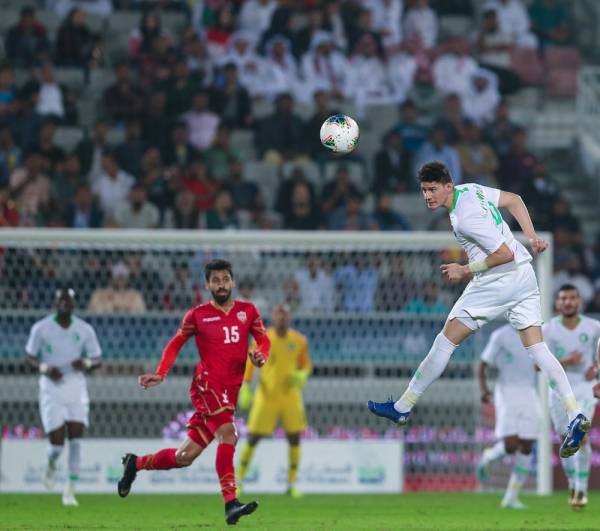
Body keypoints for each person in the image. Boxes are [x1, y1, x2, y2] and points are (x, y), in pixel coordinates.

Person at [367, 161, 590, 460]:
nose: (428, 196)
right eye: (423, 190)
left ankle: (403, 407)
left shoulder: (464, 218)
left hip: (497, 280)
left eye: (433, 189)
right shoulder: (470, 190)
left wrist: (464, 269)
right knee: (538, 349)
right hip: (524, 275)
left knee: (445, 342)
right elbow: (514, 200)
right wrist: (532, 237)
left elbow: (503, 253)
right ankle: (574, 413)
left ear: (448, 186)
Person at [116, 259, 270, 526]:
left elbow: (264, 340)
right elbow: (176, 343)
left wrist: (261, 355)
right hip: (207, 385)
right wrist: (161, 372)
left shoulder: (248, 311)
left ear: (232, 282)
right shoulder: (197, 315)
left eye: (225, 279)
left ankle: (135, 463)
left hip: (230, 390)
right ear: (207, 285)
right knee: (229, 434)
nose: (221, 285)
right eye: (215, 280)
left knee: (184, 457)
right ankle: (230, 503)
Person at [25, 288, 102, 506]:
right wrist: (45, 368)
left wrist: (84, 363)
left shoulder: (84, 329)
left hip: (75, 386)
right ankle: (51, 463)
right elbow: (29, 357)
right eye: (61, 301)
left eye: (68, 301)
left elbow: (97, 359)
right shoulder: (41, 328)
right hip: (51, 387)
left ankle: (70, 491)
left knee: (76, 440)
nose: (64, 304)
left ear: (74, 305)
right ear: (55, 303)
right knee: (57, 445)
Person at [237, 304, 312, 497]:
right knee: (253, 437)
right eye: (278, 314)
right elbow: (249, 364)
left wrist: (302, 375)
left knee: (294, 437)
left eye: (285, 314)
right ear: (272, 317)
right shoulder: (262, 338)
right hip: (266, 395)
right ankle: (238, 481)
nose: (281, 318)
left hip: (290, 396)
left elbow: (306, 365)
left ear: (289, 318)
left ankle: (291, 484)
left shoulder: (299, 340)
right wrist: (246, 387)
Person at [543, 285, 600, 510]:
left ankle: (582, 488)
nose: (568, 302)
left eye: (572, 298)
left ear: (579, 301)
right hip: (558, 390)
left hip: (585, 387)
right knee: (566, 440)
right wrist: (566, 361)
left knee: (581, 435)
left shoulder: (594, 327)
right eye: (563, 298)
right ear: (557, 303)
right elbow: (538, 365)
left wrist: (596, 369)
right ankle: (572, 484)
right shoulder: (548, 330)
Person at [476, 324, 541, 509]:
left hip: (529, 393)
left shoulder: (535, 332)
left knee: (527, 444)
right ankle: (490, 455)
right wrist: (484, 390)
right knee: (511, 446)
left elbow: (539, 363)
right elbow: (483, 364)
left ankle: (511, 497)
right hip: (506, 393)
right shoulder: (500, 335)